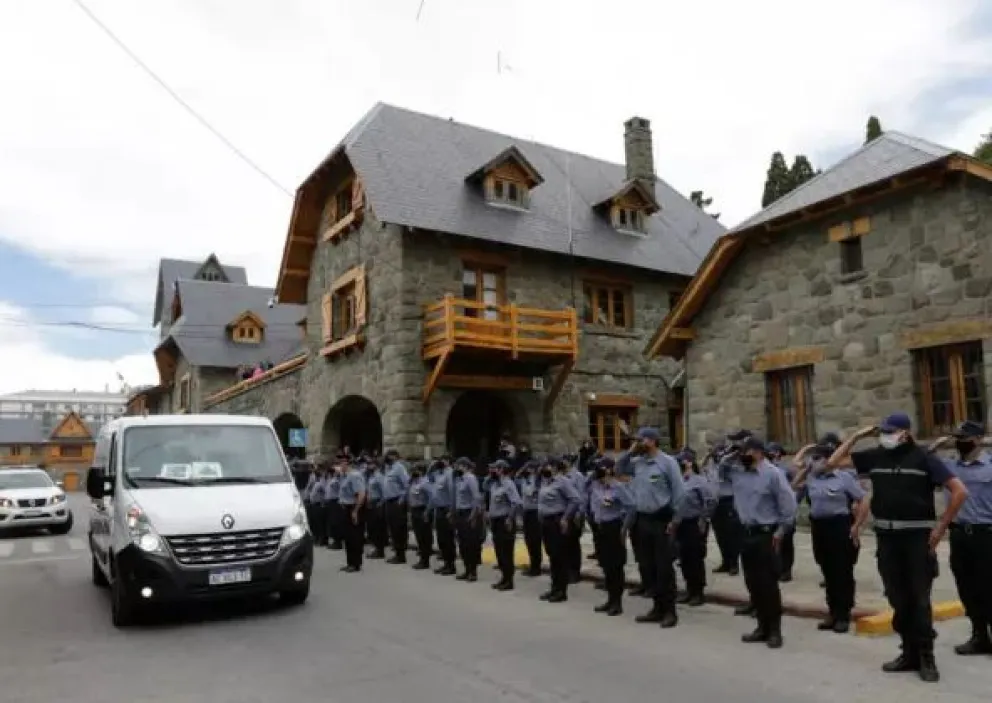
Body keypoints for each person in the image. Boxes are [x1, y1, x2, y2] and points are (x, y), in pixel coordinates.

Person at [828, 413, 969, 682]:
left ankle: (926, 657)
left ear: (905, 433)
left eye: (890, 432)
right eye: (883, 431)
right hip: (887, 540)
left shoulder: (923, 457)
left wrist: (940, 528)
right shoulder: (876, 456)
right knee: (897, 598)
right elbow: (834, 462)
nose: (885, 436)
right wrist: (857, 437)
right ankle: (908, 652)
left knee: (918, 598)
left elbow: (959, 490)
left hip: (916, 540)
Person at [928, 421, 992, 656]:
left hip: (986, 535)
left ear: (977, 439)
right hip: (959, 535)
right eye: (956, 437)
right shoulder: (948, 467)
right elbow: (925, 457)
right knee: (967, 587)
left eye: (963, 437)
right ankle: (979, 636)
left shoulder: (990, 465)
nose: (958, 442)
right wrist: (939, 442)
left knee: (989, 587)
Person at [729, 436, 797, 649]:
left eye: (745, 451)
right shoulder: (738, 472)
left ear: (757, 452)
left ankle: (775, 630)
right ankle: (761, 626)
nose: (741, 455)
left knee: (768, 584)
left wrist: (781, 531)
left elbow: (788, 506)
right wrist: (732, 452)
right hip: (746, 533)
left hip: (767, 534)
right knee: (753, 582)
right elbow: (720, 468)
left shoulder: (773, 474)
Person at [792, 442, 865, 633]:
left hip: (840, 525)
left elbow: (863, 499)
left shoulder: (844, 478)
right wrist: (807, 469)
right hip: (819, 526)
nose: (815, 462)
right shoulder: (812, 478)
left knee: (842, 572)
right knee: (827, 571)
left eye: (818, 458)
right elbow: (794, 485)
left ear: (828, 459)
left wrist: (857, 526)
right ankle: (832, 612)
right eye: (813, 459)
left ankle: (843, 615)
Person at [617, 427, 685, 628]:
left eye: (641, 440)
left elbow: (680, 494)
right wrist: (630, 451)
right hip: (642, 520)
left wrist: (675, 521)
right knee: (649, 567)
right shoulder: (638, 463)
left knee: (664, 568)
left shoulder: (667, 463)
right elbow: (619, 469)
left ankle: (669, 611)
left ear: (653, 441)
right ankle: (657, 608)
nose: (638, 443)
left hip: (662, 521)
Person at [588, 456, 634, 615]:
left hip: (614, 528)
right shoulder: (595, 485)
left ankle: (617, 602)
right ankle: (609, 599)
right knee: (606, 565)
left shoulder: (618, 487)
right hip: (600, 528)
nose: (598, 472)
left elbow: (631, 508)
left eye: (601, 468)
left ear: (608, 470)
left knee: (615, 566)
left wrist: (624, 528)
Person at [672, 449, 716, 606]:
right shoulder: (678, 481)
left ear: (689, 463)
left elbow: (710, 501)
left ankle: (698, 592)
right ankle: (689, 589)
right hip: (679, 524)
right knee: (683, 558)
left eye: (682, 461)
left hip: (694, 523)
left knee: (695, 558)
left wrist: (703, 519)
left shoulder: (699, 481)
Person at [537, 456, 581, 603]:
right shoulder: (545, 482)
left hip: (557, 521)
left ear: (555, 468)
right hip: (546, 522)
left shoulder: (562, 481)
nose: (544, 469)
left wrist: (566, 518)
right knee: (552, 556)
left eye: (547, 466)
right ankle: (554, 588)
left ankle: (561, 591)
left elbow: (575, 499)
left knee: (559, 556)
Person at [487, 459, 522, 591]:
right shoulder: (495, 484)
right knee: (499, 552)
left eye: (495, 468)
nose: (492, 471)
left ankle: (509, 580)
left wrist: (510, 518)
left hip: (505, 521)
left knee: (506, 552)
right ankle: (503, 577)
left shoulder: (508, 484)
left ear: (501, 469)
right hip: (496, 521)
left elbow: (516, 502)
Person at [766, 442, 796, 582]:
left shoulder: (786, 468)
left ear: (778, 453)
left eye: (773, 452)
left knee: (786, 542)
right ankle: (776, 568)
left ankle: (786, 570)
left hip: (784, 509)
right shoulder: (764, 469)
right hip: (771, 510)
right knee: (772, 542)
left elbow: (796, 485)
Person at [453, 458, 484, 582]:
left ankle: (473, 572)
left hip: (468, 514)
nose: (456, 468)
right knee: (462, 543)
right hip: (460, 514)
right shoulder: (459, 479)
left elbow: (476, 497)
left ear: (465, 466)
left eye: (458, 466)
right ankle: (466, 570)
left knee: (471, 544)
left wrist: (473, 515)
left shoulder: (470, 478)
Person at [429, 458, 458, 576]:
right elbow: (428, 477)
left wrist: (452, 510)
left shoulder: (449, 474)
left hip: (446, 509)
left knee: (448, 538)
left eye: (444, 460)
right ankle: (446, 563)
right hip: (438, 509)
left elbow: (452, 493)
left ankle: (451, 565)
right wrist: (431, 465)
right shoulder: (437, 474)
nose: (440, 462)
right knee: (441, 539)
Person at [337, 461, 367, 573]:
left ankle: (356, 563)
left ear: (347, 464)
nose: (339, 466)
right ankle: (350, 562)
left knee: (355, 537)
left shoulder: (355, 476)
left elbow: (361, 494)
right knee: (348, 537)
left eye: (341, 464)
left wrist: (355, 511)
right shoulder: (344, 476)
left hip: (353, 508)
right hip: (346, 508)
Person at [382, 450, 411, 564]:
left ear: (394, 456)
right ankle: (397, 553)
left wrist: (402, 499)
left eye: (388, 456)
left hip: (397, 502)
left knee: (398, 528)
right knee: (392, 529)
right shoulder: (389, 468)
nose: (386, 458)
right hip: (389, 502)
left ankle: (401, 555)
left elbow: (407, 484)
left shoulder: (399, 468)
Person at [517, 459, 543, 577]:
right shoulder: (525, 479)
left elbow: (529, 492)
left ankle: (536, 567)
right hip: (526, 511)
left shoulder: (538, 480)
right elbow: (517, 476)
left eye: (530, 469)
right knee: (528, 540)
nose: (528, 471)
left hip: (535, 512)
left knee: (535, 540)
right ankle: (532, 564)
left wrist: (532, 476)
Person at [564, 457, 587, 583]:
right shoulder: (563, 476)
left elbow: (582, 495)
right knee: (565, 543)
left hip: (575, 514)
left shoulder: (577, 476)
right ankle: (567, 570)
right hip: (565, 514)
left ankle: (575, 572)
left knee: (573, 544)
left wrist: (580, 513)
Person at [408, 462, 434, 570]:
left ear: (421, 471)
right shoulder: (414, 482)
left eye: (415, 470)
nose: (413, 472)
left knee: (424, 537)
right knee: (418, 536)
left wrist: (427, 512)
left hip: (422, 510)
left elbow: (432, 498)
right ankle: (422, 558)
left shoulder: (425, 483)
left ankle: (425, 560)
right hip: (414, 510)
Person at [365, 463, 387, 559]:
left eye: (370, 465)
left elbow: (384, 491)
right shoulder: (371, 476)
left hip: (377, 503)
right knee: (372, 528)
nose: (368, 467)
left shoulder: (379, 477)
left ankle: (380, 550)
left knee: (378, 528)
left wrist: (380, 503)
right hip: (371, 504)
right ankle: (376, 548)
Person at [326, 461, 344, 550]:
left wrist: (339, 473)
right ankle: (334, 540)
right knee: (332, 523)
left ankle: (338, 542)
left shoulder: (339, 480)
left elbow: (341, 489)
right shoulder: (332, 478)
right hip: (331, 502)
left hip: (336, 501)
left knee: (336, 522)